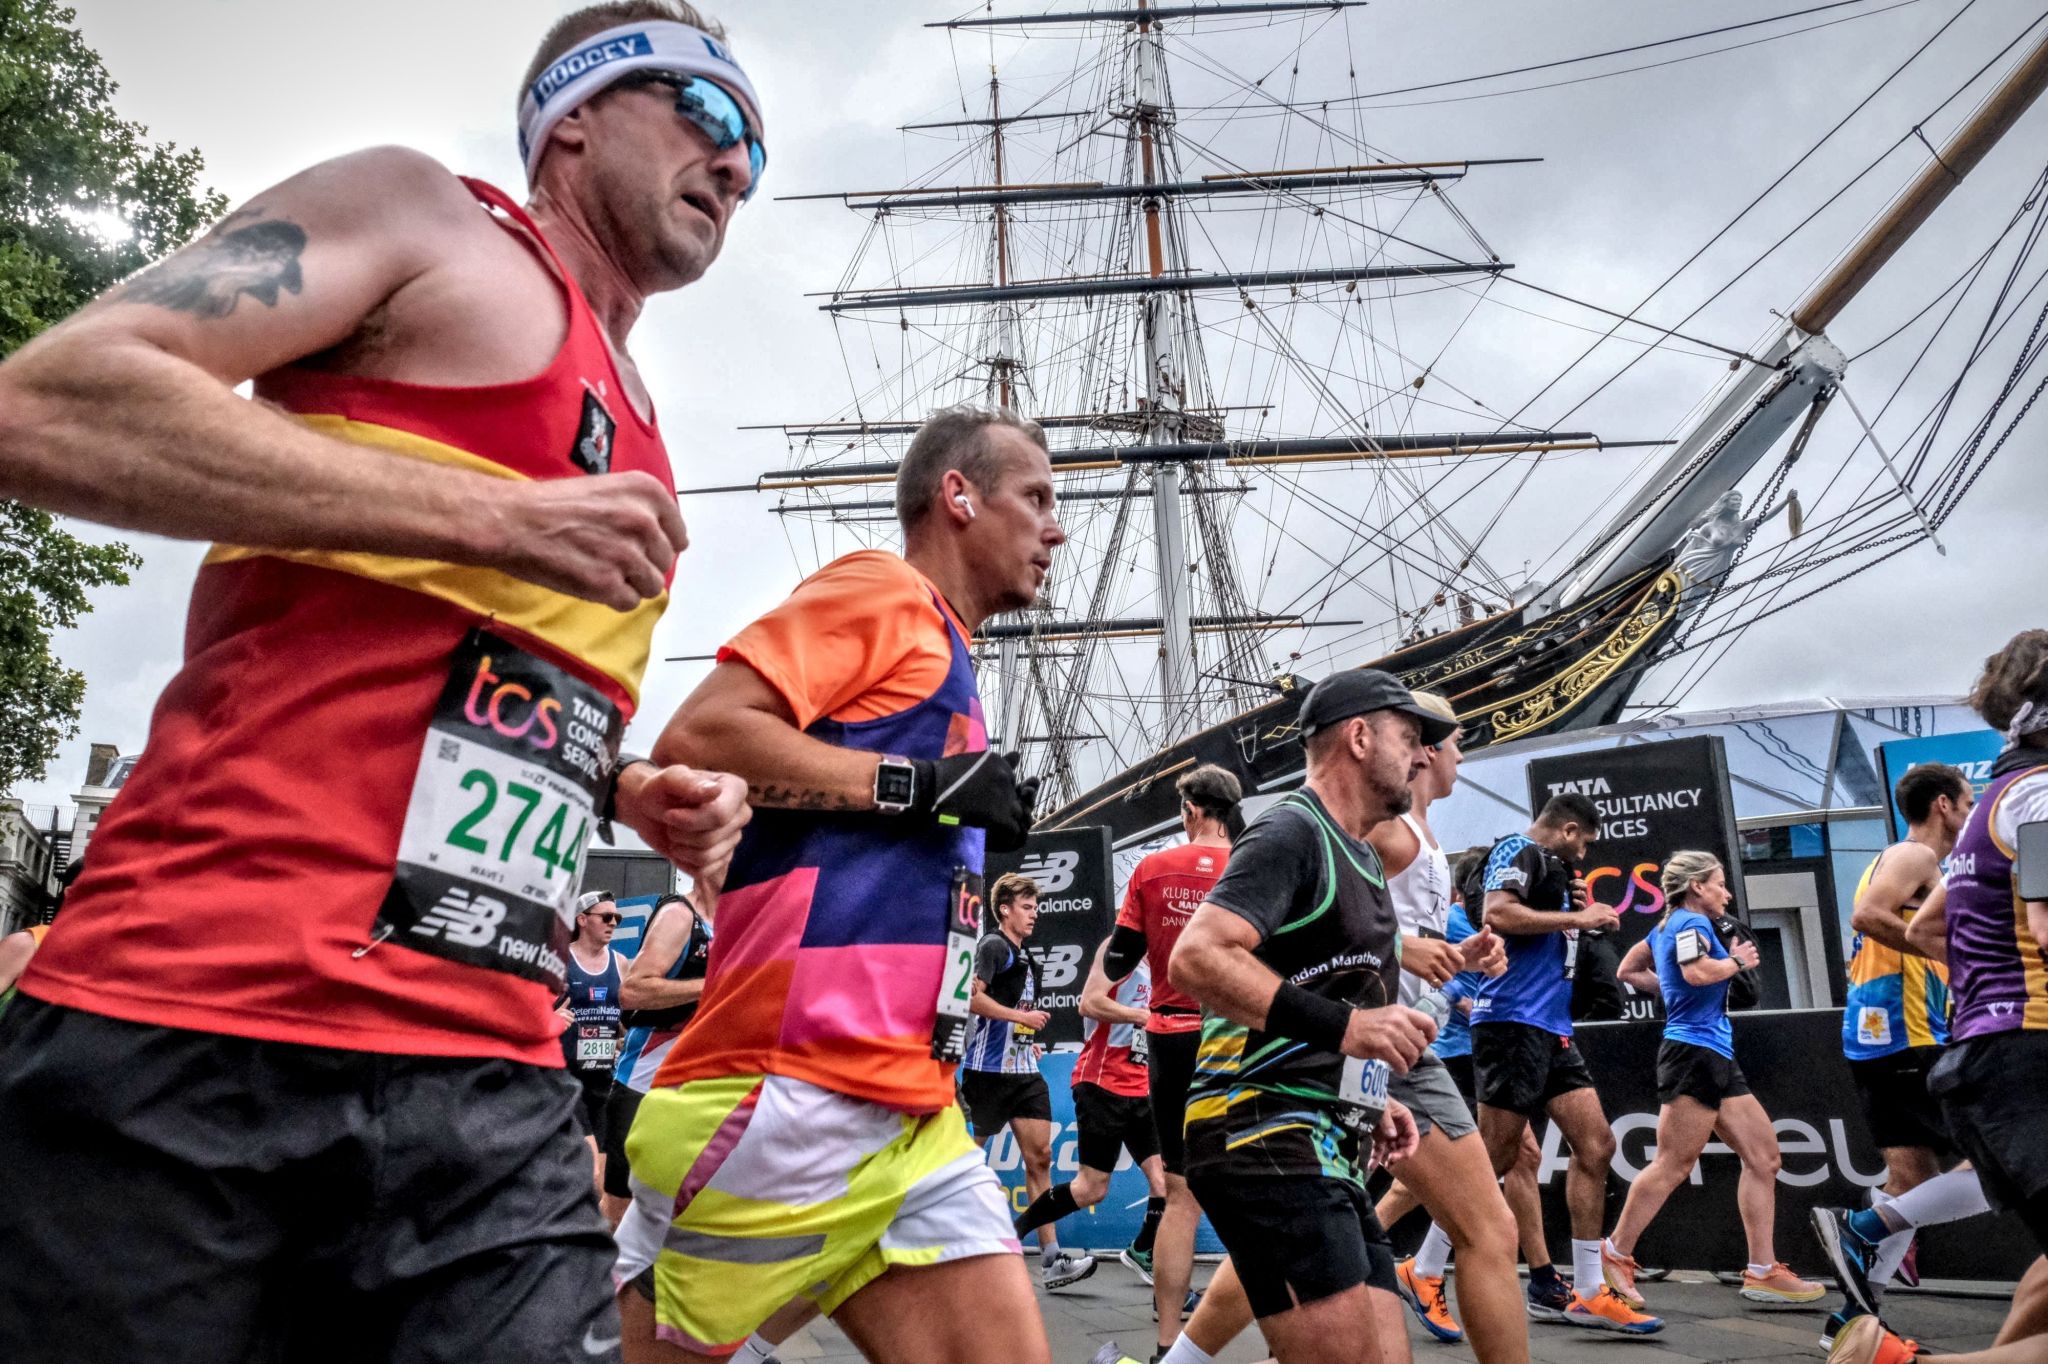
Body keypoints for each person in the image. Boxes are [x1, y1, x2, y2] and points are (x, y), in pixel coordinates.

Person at [0, 4, 760, 1359]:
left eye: (755, 145)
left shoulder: (636, 414)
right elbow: (49, 405)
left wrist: (627, 786)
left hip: (489, 1075)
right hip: (199, 1019)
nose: (738, 162)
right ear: (572, 111)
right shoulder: (428, 223)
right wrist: (491, 518)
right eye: (708, 114)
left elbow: (452, 689)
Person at [613, 403, 1064, 1364]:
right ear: (959, 496)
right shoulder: (885, 592)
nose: (1055, 527)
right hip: (794, 1090)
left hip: (911, 1104)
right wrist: (918, 786)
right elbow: (698, 737)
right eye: (1037, 498)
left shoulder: (948, 651)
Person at [1164, 669, 1453, 1364]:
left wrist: (1367, 1099)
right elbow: (1197, 957)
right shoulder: (1291, 831)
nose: (1422, 756)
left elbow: (1322, 990)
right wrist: (1348, 1032)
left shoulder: (1360, 855)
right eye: (1410, 737)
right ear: (1358, 737)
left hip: (1324, 1134)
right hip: (1261, 1131)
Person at [1830, 632, 2048, 1364]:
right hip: (2019, 1055)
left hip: (1989, 1048)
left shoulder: (1993, 812)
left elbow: (1929, 923)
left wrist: (1985, 986)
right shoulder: (2039, 796)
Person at [1355, 697, 1524, 1362]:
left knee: (1327, 1231)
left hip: (1401, 1046)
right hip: (1383, 1047)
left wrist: (1463, 959)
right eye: (1456, 745)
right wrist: (1401, 949)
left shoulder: (1422, 838)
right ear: (1424, 751)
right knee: (1488, 1229)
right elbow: (1319, 921)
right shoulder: (1390, 832)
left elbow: (1402, 947)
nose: (1461, 759)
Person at [1470, 794, 1666, 1333]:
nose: (1584, 855)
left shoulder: (1552, 869)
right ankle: (1427, 1265)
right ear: (1571, 829)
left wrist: (1573, 910)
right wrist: (1578, 914)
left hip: (1552, 1028)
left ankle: (1586, 1290)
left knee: (1598, 1145)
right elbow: (1497, 912)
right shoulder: (1519, 847)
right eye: (1585, 844)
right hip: (1511, 1022)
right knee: (1496, 1156)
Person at [1811, 763, 1991, 1342]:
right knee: (1998, 1164)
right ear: (1944, 804)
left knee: (1910, 1181)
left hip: (1879, 1035)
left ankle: (1851, 1321)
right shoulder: (1916, 856)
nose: (1971, 815)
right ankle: (1860, 1227)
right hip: (1904, 1033)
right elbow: (1865, 917)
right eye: (1968, 803)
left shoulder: (1897, 861)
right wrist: (1953, 953)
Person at [1605, 851, 1824, 1307]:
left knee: (1764, 1158)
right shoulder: (1691, 924)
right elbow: (1696, 972)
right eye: (1720, 883)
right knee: (1673, 1164)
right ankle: (1614, 1253)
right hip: (1693, 1054)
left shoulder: (1664, 927)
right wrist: (1736, 962)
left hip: (1717, 1054)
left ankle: (1763, 1270)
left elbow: (1630, 969)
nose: (1726, 893)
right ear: (1697, 887)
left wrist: (1672, 989)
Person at [1102, 763, 1241, 1354]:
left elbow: (1118, 963)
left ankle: (1167, 1344)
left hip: (1170, 1034)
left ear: (1189, 811)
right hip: (1236, 1036)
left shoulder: (1152, 868)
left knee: (1180, 1192)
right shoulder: (1247, 863)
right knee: (1251, 1185)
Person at [963, 872, 1098, 1289]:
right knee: (965, 1163)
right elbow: (971, 996)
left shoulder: (1026, 957)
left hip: (1023, 1073)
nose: (1034, 913)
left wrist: (1027, 1040)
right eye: (1026, 906)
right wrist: (1021, 1018)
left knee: (1039, 1159)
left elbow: (1013, 1013)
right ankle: (950, 1249)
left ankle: (1052, 1260)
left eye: (1035, 907)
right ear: (1004, 909)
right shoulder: (993, 945)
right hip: (987, 1074)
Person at [1012, 941, 1168, 1283]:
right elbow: (1088, 1003)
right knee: (1091, 1189)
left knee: (1164, 1181)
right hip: (1101, 1083)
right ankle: (1012, 1233)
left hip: (1139, 1087)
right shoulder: (1117, 950)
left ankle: (1142, 1250)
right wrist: (1140, 1016)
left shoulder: (1163, 962)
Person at [563, 890, 630, 1175]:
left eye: (616, 917)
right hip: (567, 1076)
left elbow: (627, 1016)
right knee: (589, 1171)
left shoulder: (620, 962)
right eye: (606, 916)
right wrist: (550, 1016)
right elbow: (531, 1006)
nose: (613, 923)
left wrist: (627, 1038)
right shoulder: (561, 958)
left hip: (604, 1078)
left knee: (602, 1179)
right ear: (582, 920)